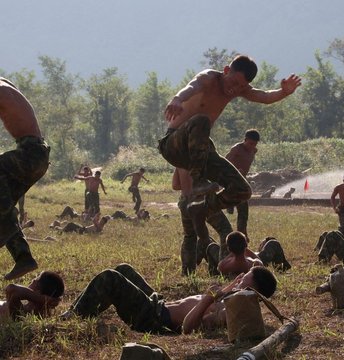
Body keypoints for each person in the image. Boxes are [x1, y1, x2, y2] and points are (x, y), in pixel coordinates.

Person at [158, 55, 301, 248]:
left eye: (241, 87)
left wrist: (284, 92)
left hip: (198, 150)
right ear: (226, 71)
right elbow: (191, 86)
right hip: (173, 142)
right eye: (233, 82)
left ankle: (201, 210)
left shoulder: (237, 90)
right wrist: (177, 98)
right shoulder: (209, 78)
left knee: (242, 190)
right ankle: (196, 190)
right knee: (202, 121)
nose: (234, 89)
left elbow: (264, 96)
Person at [60, 263, 277, 335]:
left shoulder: (229, 312)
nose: (238, 280)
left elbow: (188, 328)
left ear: (251, 288)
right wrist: (229, 287)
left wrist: (208, 299)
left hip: (153, 318)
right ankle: (78, 309)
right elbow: (223, 293)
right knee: (123, 269)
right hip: (158, 304)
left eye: (243, 279)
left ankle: (73, 317)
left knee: (111, 277)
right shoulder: (232, 296)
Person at [0, 77, 51, 280]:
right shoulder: (5, 84)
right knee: (2, 205)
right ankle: (23, 257)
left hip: (31, 153)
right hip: (37, 152)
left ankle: (17, 248)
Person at [172, 168, 233, 275]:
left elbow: (175, 185)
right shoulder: (202, 160)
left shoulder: (180, 162)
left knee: (189, 237)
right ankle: (226, 269)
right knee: (225, 230)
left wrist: (188, 187)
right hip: (202, 201)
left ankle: (187, 272)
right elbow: (214, 185)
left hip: (185, 202)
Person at [225, 129, 260, 239]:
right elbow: (225, 162)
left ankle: (242, 234)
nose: (252, 146)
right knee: (238, 206)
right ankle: (229, 205)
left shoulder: (254, 150)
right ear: (245, 140)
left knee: (243, 210)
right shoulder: (236, 149)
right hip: (231, 181)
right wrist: (234, 171)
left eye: (254, 144)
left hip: (241, 182)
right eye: (250, 143)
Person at [0, 271, 64, 319]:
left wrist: (39, 298)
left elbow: (11, 289)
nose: (32, 281)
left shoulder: (25, 313)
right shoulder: (40, 313)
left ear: (37, 291)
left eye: (34, 281)